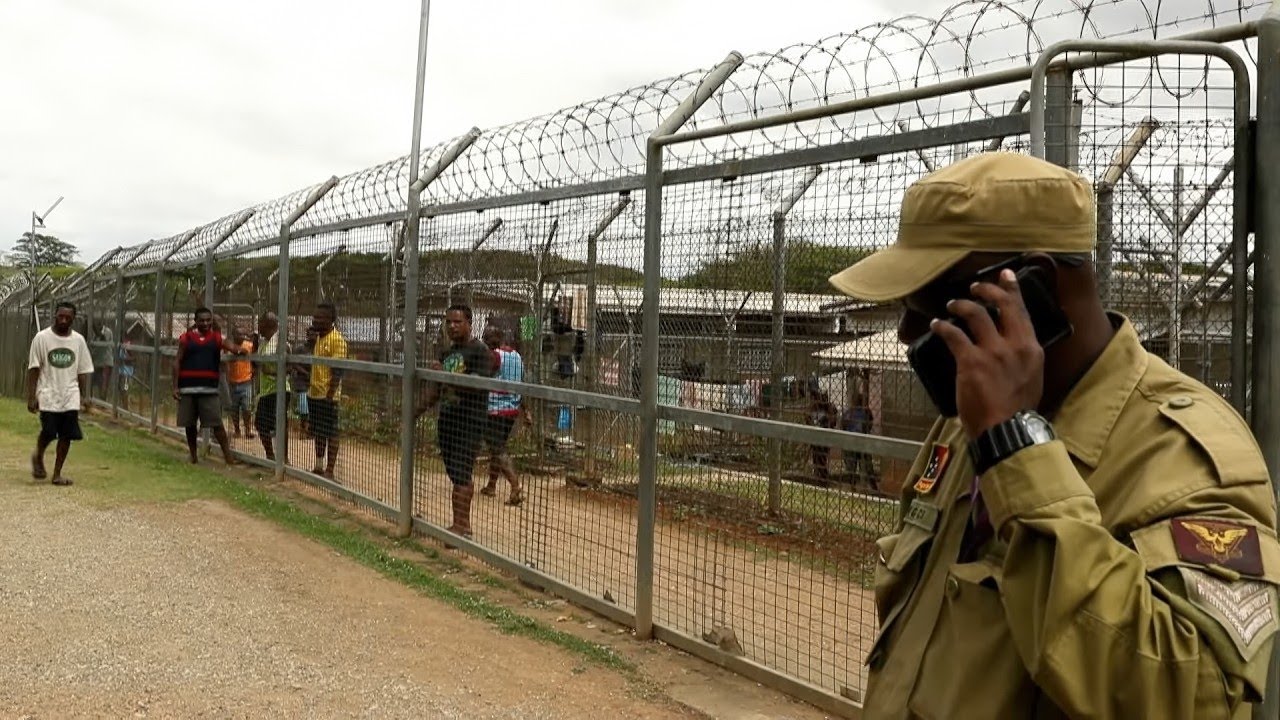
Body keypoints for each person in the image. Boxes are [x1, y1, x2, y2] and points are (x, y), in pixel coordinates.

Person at [826, 152, 1279, 718]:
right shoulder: (967, 425)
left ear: (1033, 289)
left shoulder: (1183, 455)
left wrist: (1018, 451)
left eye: (928, 303)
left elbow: (1194, 699)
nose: (906, 331)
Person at [417, 304, 494, 538]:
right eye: (448, 321)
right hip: (448, 420)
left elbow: (477, 385)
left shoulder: (480, 351)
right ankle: (460, 525)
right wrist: (412, 414)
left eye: (457, 322)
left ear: (469, 323)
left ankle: (462, 526)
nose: (452, 326)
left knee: (462, 472)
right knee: (455, 472)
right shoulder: (446, 353)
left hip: (469, 421)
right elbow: (435, 391)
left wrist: (446, 375)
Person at [26, 302, 94, 486]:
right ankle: (38, 456)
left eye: (68, 317)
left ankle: (57, 473)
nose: (63, 320)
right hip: (48, 393)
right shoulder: (42, 338)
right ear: (54, 316)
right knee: (49, 431)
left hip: (70, 394)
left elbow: (83, 370)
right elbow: (33, 369)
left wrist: (84, 396)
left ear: (73, 318)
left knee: (67, 434)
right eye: (60, 316)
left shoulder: (78, 341)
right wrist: (32, 397)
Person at [173, 306, 246, 465]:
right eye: (202, 320)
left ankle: (228, 457)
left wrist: (241, 350)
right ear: (195, 321)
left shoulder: (217, 338)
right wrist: (175, 386)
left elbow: (233, 348)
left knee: (217, 424)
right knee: (190, 424)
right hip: (188, 388)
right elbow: (177, 361)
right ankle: (193, 455)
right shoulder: (186, 338)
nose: (205, 323)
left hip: (209, 389)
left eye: (208, 320)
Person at [478, 325, 526, 506]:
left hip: (495, 408)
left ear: (496, 338)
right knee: (497, 448)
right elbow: (522, 383)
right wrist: (525, 409)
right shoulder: (517, 356)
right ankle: (491, 485)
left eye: (487, 338)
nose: (485, 341)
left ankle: (515, 486)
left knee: (497, 448)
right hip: (512, 409)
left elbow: (486, 374)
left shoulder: (495, 355)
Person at [308, 303, 347, 480]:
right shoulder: (319, 338)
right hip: (314, 393)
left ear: (331, 320)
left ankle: (330, 470)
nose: (316, 320)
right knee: (319, 431)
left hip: (327, 395)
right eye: (315, 317)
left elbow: (337, 370)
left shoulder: (336, 340)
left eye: (320, 317)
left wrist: (330, 396)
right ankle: (318, 465)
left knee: (331, 432)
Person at [253, 312, 285, 461]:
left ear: (268, 325)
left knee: (279, 424)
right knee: (261, 424)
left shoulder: (279, 341)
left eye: (260, 323)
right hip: (266, 390)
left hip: (279, 389)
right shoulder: (264, 342)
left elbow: (288, 365)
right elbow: (256, 363)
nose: (258, 327)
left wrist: (271, 371)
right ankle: (271, 456)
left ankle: (282, 459)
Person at [226, 327, 255, 439]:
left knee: (246, 407)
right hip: (233, 382)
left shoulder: (249, 345)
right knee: (234, 408)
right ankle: (237, 430)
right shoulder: (229, 347)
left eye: (243, 334)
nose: (241, 336)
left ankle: (248, 430)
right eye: (239, 334)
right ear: (234, 335)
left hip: (246, 381)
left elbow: (255, 357)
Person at [840, 394, 875, 484]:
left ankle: (852, 486)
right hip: (862, 442)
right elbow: (869, 425)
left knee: (851, 467)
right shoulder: (865, 412)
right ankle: (872, 486)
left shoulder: (848, 413)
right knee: (867, 466)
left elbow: (842, 427)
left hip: (850, 442)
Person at [806, 391, 837, 479]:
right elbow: (807, 417)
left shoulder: (829, 408)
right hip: (815, 436)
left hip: (825, 437)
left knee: (822, 456)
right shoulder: (813, 409)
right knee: (816, 456)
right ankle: (819, 473)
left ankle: (823, 474)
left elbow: (833, 422)